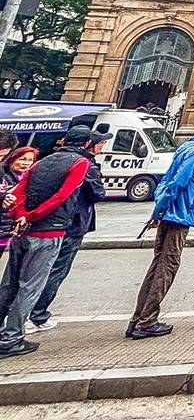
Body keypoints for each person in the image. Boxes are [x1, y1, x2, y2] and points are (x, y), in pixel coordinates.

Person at [0, 125, 108, 358]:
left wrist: (21, 215)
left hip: (24, 230)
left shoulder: (43, 161)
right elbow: (62, 196)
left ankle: (4, 331)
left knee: (9, 283)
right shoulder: (80, 163)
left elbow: (19, 191)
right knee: (30, 286)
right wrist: (31, 216)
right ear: (86, 144)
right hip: (49, 231)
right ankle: (12, 338)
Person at [127, 119, 194, 340]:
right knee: (168, 265)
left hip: (169, 212)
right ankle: (147, 322)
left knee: (157, 265)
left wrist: (158, 211)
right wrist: (159, 212)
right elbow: (177, 184)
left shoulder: (185, 148)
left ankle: (138, 319)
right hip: (179, 215)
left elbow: (166, 180)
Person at [28, 130, 106, 331]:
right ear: (88, 144)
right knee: (57, 269)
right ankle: (37, 314)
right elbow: (97, 193)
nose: (102, 146)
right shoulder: (85, 165)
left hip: (46, 221)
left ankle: (22, 312)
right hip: (72, 222)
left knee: (34, 270)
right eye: (100, 143)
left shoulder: (49, 159)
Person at [0, 147, 37, 261]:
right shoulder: (3, 176)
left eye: (30, 160)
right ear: (12, 159)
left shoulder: (31, 178)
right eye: (22, 159)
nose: (26, 163)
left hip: (10, 228)